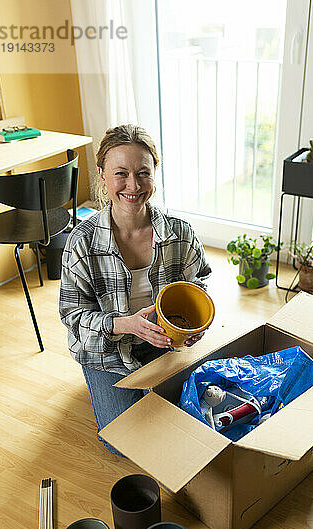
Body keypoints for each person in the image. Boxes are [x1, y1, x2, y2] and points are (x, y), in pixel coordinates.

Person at [59, 124, 211, 455]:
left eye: (143, 173)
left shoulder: (180, 234)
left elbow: (199, 284)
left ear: (154, 174)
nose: (133, 185)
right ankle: (101, 386)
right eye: (121, 174)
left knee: (189, 426)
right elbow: (71, 315)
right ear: (102, 176)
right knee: (123, 444)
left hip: (167, 344)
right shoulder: (80, 243)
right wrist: (125, 323)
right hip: (108, 352)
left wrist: (196, 326)